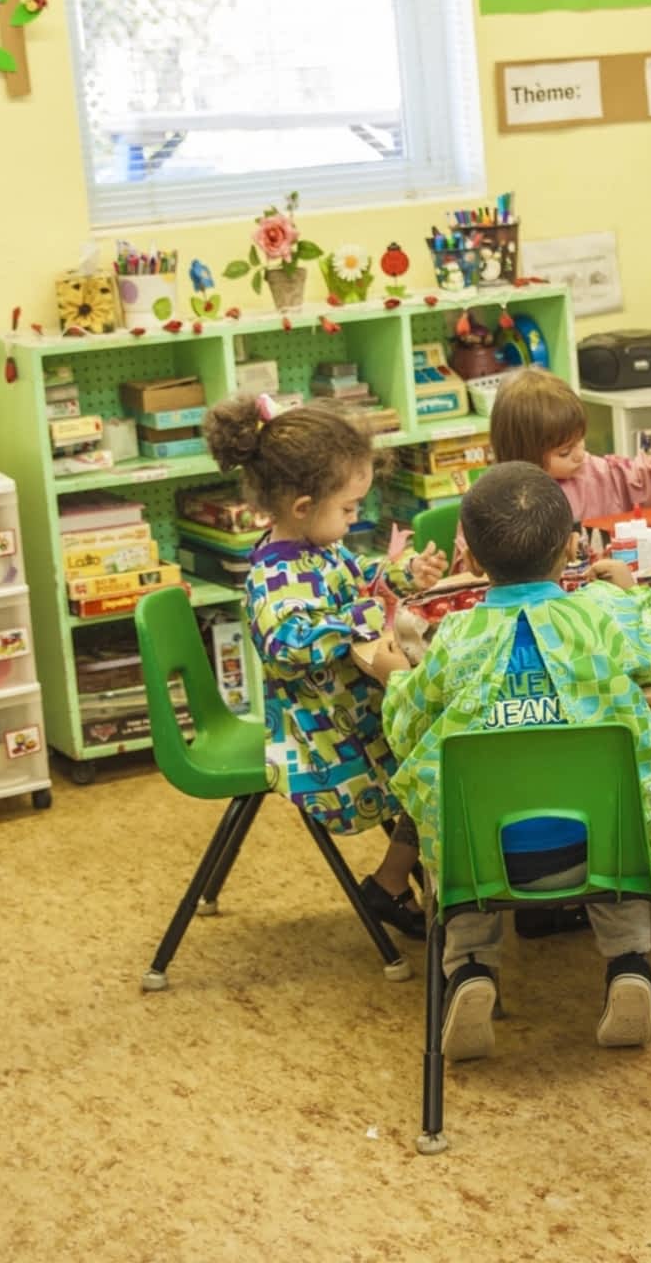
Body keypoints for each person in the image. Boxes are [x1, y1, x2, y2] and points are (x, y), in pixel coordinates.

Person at [385, 463, 651, 1061]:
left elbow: (406, 725)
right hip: (601, 850)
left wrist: (397, 677)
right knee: (613, 800)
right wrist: (637, 596)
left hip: (488, 860)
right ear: (572, 546)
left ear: (471, 558)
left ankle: (470, 972)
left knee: (463, 817)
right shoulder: (599, 619)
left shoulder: (454, 638)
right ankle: (629, 963)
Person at [201, 396, 450, 938]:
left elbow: (358, 577)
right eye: (348, 508)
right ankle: (398, 885)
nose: (355, 516)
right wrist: (363, 614)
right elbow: (287, 644)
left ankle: (404, 882)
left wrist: (404, 576)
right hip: (324, 740)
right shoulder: (272, 577)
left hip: (353, 712)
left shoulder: (317, 550)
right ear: (302, 506)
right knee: (439, 763)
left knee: (439, 749)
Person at [490, 368, 651, 522]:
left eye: (580, 440)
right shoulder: (496, 499)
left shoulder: (599, 474)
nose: (579, 455)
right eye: (564, 452)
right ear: (523, 456)